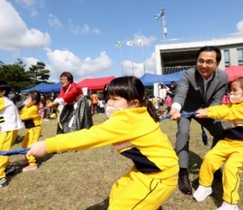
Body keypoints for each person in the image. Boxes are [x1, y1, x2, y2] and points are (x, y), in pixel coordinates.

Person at [26, 76, 179, 209]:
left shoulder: (127, 119)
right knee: (118, 191)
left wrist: (48, 145)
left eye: (115, 99)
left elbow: (89, 136)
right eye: (108, 97)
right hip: (145, 170)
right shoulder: (138, 112)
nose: (109, 103)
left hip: (159, 176)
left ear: (133, 103)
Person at [193, 77, 243, 210]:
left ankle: (230, 204)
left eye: (234, 91)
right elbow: (223, 108)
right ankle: (205, 186)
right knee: (209, 159)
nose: (230, 93)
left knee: (230, 169)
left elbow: (228, 113)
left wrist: (208, 112)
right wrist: (204, 111)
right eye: (230, 90)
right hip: (227, 143)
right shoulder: (230, 105)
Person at [169, 46, 229, 195]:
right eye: (200, 61)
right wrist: (175, 108)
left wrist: (207, 111)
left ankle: (212, 166)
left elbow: (216, 100)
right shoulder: (187, 74)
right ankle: (183, 173)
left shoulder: (223, 77)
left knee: (220, 132)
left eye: (209, 62)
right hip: (186, 108)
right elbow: (181, 93)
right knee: (183, 132)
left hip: (207, 110)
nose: (203, 65)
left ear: (217, 63)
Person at [19, 90, 42, 172]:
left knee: (30, 146)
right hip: (30, 129)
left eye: (28, 98)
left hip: (35, 129)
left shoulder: (34, 108)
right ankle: (27, 159)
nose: (26, 100)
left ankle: (32, 163)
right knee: (24, 144)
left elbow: (23, 116)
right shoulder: (28, 107)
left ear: (34, 101)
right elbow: (21, 111)